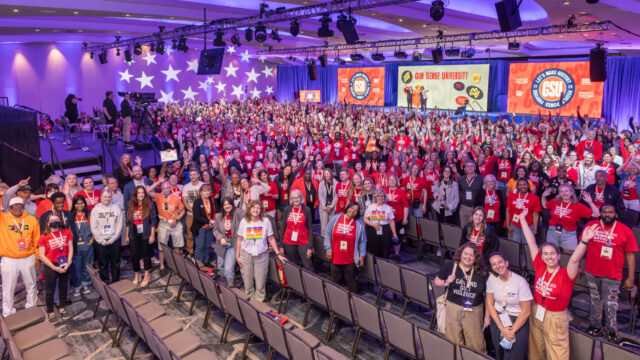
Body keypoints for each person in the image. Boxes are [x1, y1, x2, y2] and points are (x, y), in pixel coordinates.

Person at [520, 209, 591, 360]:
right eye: (545, 254)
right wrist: (522, 220)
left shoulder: (566, 274)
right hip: (537, 311)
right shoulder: (540, 266)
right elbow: (531, 242)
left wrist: (584, 241)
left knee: (557, 354)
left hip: (555, 317)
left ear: (558, 255)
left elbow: (574, 259)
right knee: (535, 350)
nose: (549, 257)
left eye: (552, 253)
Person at [583, 204, 638, 342]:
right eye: (604, 212)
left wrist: (631, 278)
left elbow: (630, 255)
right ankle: (595, 325)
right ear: (600, 213)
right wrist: (577, 265)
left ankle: (611, 329)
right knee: (595, 300)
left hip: (612, 276)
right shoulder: (591, 226)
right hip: (592, 272)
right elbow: (582, 247)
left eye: (611, 212)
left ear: (616, 215)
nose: (607, 214)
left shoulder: (625, 230)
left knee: (611, 304)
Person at [434, 243, 488, 353]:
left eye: (471, 255)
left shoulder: (482, 272)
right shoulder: (450, 266)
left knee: (476, 342)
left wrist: (487, 317)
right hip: (452, 307)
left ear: (476, 258)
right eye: (465, 254)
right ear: (460, 254)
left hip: (473, 310)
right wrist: (446, 282)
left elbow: (489, 297)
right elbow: (436, 281)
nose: (468, 257)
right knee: (453, 340)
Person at [485, 252, 532, 360]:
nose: (497, 266)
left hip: (518, 320)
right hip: (498, 319)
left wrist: (511, 331)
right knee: (499, 353)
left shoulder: (520, 282)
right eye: (494, 264)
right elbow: (490, 304)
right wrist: (502, 328)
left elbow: (526, 312)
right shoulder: (492, 278)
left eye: (500, 262)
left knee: (514, 356)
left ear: (506, 263)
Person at [236, 201, 284, 302]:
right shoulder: (244, 221)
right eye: (253, 208)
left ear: (261, 210)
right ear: (249, 209)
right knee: (248, 285)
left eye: (258, 208)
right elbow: (239, 240)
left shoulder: (266, 221)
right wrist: (237, 256)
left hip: (261, 256)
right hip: (246, 256)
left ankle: (258, 306)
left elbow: (271, 238)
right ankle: (250, 306)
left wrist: (278, 254)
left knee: (260, 285)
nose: (255, 210)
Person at [0, 196, 40, 317]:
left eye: (20, 205)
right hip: (9, 259)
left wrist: (37, 256)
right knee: (8, 288)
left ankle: (32, 308)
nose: (17, 207)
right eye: (14, 206)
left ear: (23, 207)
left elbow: (36, 240)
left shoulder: (32, 220)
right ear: (9, 208)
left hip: (28, 257)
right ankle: (8, 313)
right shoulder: (3, 219)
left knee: (31, 285)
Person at [541, 183, 599, 252]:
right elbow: (545, 205)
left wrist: (590, 202)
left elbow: (597, 214)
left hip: (568, 234)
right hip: (552, 232)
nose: (564, 193)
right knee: (553, 254)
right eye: (561, 191)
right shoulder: (555, 201)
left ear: (571, 192)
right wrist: (543, 196)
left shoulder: (578, 206)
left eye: (566, 191)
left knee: (567, 257)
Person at [324, 202, 367, 293]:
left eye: (356, 211)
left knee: (350, 281)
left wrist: (362, 255)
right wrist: (328, 249)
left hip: (350, 258)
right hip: (335, 256)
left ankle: (353, 302)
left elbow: (362, 241)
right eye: (351, 208)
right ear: (348, 207)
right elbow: (327, 232)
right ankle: (333, 302)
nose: (352, 211)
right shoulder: (337, 218)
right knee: (335, 280)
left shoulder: (359, 223)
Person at [38, 213, 74, 322]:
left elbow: (71, 248)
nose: (55, 221)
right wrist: (54, 268)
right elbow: (41, 255)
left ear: (61, 221)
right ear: (48, 223)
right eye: (52, 220)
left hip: (64, 263)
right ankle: (50, 311)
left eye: (57, 219)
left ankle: (62, 307)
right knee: (50, 290)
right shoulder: (43, 236)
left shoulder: (66, 232)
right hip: (50, 266)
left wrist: (69, 262)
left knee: (63, 287)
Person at [125, 186, 157, 287]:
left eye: (142, 193)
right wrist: (127, 235)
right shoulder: (130, 205)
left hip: (146, 232)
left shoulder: (149, 204)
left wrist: (152, 235)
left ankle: (147, 275)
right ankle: (137, 274)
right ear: (135, 194)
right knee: (134, 255)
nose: (141, 195)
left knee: (146, 255)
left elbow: (153, 221)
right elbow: (128, 222)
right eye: (138, 193)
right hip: (133, 233)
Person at [90, 190, 124, 283]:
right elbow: (93, 227)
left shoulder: (116, 208)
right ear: (101, 197)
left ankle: (116, 282)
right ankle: (105, 283)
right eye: (105, 197)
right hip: (101, 240)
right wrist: (101, 240)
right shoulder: (95, 209)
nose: (107, 199)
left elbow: (119, 225)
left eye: (109, 197)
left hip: (114, 240)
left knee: (116, 263)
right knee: (103, 264)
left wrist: (112, 239)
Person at [152, 181, 185, 276]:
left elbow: (182, 210)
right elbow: (147, 190)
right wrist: (158, 182)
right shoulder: (158, 197)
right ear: (161, 189)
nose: (165, 190)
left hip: (175, 223)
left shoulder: (176, 198)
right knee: (162, 246)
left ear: (170, 188)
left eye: (167, 188)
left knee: (177, 246)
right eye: (163, 188)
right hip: (163, 224)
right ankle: (162, 266)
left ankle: (176, 266)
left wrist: (177, 219)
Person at [213, 197, 244, 286]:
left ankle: (230, 290)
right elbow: (215, 230)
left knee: (228, 269)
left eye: (228, 203)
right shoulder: (218, 216)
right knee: (221, 268)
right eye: (225, 204)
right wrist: (221, 238)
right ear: (222, 206)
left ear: (232, 204)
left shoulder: (238, 212)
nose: (227, 206)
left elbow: (245, 221)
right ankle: (222, 286)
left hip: (233, 244)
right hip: (221, 244)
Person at [280, 189, 314, 270]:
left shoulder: (306, 209)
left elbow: (310, 228)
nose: (296, 199)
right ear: (291, 199)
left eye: (298, 197)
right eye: (293, 198)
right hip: (289, 241)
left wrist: (310, 246)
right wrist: (281, 245)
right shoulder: (287, 209)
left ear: (301, 198)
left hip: (303, 241)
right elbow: (283, 228)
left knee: (308, 265)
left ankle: (311, 282)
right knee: (293, 265)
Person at [363, 189, 397, 259]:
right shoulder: (371, 207)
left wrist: (394, 233)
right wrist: (372, 224)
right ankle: (374, 265)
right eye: (378, 196)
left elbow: (391, 221)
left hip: (385, 230)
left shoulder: (388, 208)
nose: (380, 198)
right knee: (373, 249)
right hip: (372, 230)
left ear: (384, 198)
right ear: (375, 197)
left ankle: (384, 265)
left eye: (382, 196)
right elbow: (365, 219)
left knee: (385, 249)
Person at [70, 196, 93, 296]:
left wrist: (91, 241)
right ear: (74, 205)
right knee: (76, 266)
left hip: (87, 245)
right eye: (77, 203)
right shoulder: (71, 216)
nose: (80, 205)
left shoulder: (89, 214)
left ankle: (86, 284)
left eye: (82, 203)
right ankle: (77, 286)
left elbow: (95, 227)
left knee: (86, 265)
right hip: (75, 246)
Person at [506, 178, 541, 244]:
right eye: (520, 185)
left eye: (525, 184)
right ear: (517, 186)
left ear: (528, 186)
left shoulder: (535, 198)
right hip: (514, 225)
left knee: (527, 246)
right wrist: (508, 225)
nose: (522, 186)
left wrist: (535, 230)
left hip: (528, 226)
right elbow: (508, 210)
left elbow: (536, 215)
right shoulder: (511, 195)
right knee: (514, 246)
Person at [191, 184, 216, 266]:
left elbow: (218, 212)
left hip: (210, 227)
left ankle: (205, 261)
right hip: (200, 227)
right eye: (204, 191)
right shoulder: (197, 202)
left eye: (208, 190)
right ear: (200, 192)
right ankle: (198, 263)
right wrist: (209, 221)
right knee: (200, 246)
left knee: (208, 245)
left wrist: (214, 222)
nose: (207, 192)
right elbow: (197, 217)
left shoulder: (213, 200)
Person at [182, 168, 203, 256]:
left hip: (202, 214)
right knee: (190, 234)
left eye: (194, 174)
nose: (192, 176)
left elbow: (206, 200)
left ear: (198, 175)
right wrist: (193, 211)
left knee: (201, 234)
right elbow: (184, 202)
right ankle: (190, 252)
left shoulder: (203, 185)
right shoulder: (186, 186)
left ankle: (199, 253)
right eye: (191, 175)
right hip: (190, 214)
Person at [458, 161, 484, 226]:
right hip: (464, 207)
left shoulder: (481, 179)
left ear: (475, 168)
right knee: (463, 227)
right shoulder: (461, 179)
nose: (470, 168)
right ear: (465, 169)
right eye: (468, 166)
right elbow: (459, 191)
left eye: (471, 166)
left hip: (475, 208)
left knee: (475, 227)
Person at [318, 169, 337, 234]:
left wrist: (331, 206)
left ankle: (331, 239)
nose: (326, 175)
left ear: (331, 173)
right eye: (325, 174)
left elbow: (336, 196)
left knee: (332, 224)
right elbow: (320, 196)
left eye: (328, 173)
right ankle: (323, 239)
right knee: (324, 225)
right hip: (323, 207)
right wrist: (325, 207)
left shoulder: (336, 183)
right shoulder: (321, 184)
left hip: (332, 206)